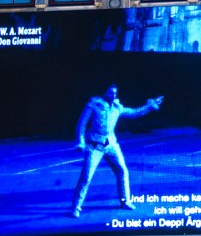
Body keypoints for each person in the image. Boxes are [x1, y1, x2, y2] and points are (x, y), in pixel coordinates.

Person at [70, 84, 163, 218]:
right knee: (86, 177)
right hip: (94, 145)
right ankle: (76, 207)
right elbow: (82, 124)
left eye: (115, 93)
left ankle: (125, 202)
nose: (113, 95)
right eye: (110, 93)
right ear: (105, 92)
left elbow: (134, 113)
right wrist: (81, 141)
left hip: (111, 145)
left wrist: (150, 105)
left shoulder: (117, 107)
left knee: (122, 171)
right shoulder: (94, 104)